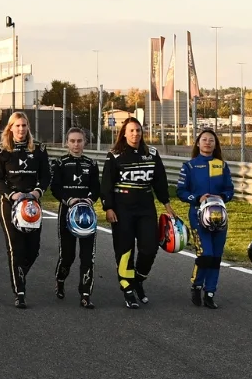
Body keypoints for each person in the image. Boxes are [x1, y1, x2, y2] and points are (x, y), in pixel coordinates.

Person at [100, 117, 172, 309]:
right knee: (125, 250)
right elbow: (106, 184)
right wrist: (108, 207)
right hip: (122, 209)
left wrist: (167, 205)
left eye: (138, 130)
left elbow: (160, 182)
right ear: (124, 133)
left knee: (150, 247)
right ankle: (128, 288)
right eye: (131, 130)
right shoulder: (115, 155)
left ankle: (138, 279)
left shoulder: (152, 153)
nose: (135, 134)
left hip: (146, 208)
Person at [0, 111, 51, 308]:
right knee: (15, 248)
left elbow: (46, 177)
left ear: (28, 128)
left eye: (24, 126)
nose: (21, 129)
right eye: (17, 126)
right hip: (10, 203)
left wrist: (37, 192)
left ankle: (18, 275)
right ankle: (20, 292)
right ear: (10, 128)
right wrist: (11, 195)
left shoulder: (39, 150)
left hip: (32, 204)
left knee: (33, 249)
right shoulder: (2, 151)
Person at [176, 128, 235, 310]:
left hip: (219, 215)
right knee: (205, 254)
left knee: (216, 256)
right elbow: (181, 191)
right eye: (204, 139)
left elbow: (230, 189)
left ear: (215, 144)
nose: (208, 142)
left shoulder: (222, 165)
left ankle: (210, 293)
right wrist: (197, 198)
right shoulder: (190, 166)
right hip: (198, 215)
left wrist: (221, 197)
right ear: (198, 143)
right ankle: (196, 285)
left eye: (211, 140)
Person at [50, 127, 99, 308]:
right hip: (67, 214)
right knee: (68, 256)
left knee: (88, 256)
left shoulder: (91, 164)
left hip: (86, 215)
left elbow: (96, 187)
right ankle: (60, 279)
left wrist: (90, 198)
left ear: (85, 142)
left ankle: (85, 294)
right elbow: (55, 187)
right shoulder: (60, 163)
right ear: (67, 143)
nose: (76, 144)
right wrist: (69, 200)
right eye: (72, 141)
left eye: (79, 141)